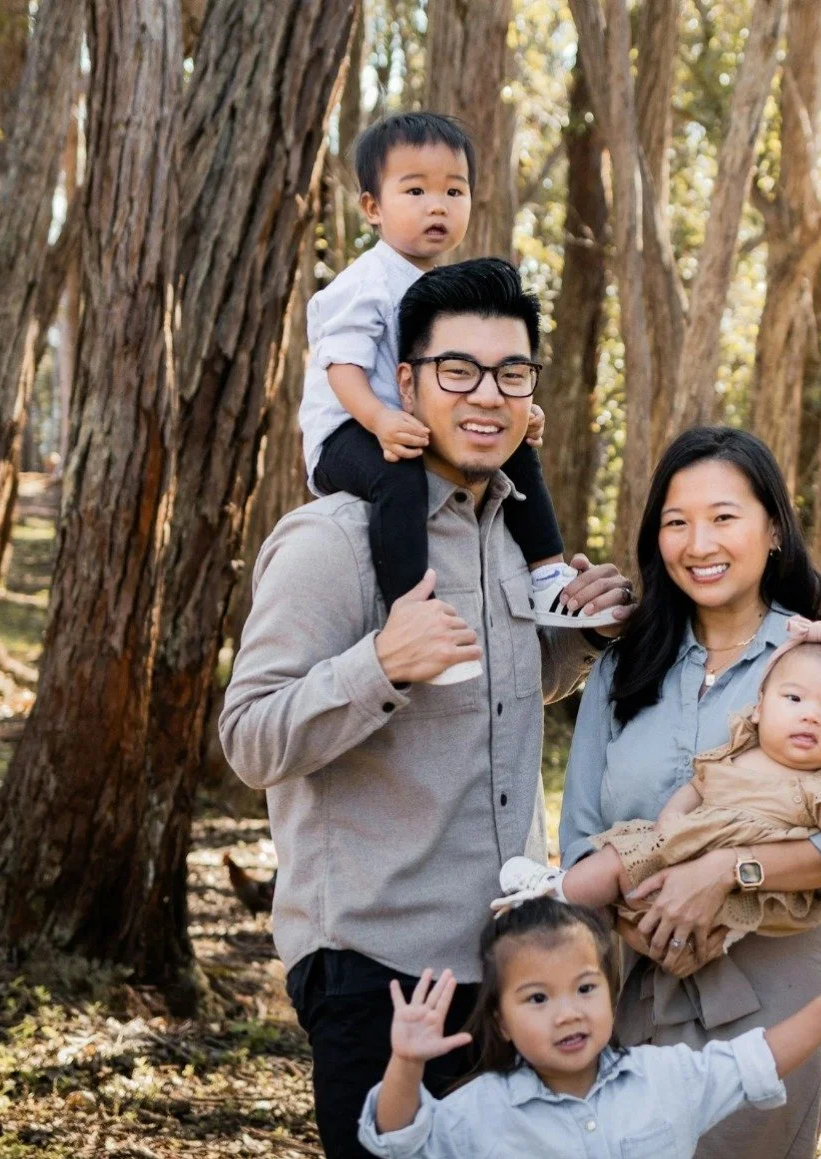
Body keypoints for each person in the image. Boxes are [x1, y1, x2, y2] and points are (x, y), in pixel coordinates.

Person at [220, 258, 634, 1159]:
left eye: (511, 373)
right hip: (378, 974)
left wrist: (584, 639)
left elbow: (499, 692)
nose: (486, 396)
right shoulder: (333, 541)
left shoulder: (514, 542)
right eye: (458, 370)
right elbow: (247, 738)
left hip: (514, 963)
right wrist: (377, 664)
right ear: (404, 383)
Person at [557, 426, 821, 1159]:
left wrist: (723, 871)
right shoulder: (622, 666)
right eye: (675, 521)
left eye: (723, 516)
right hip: (627, 981)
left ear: (771, 528)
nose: (698, 541)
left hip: (769, 994)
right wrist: (632, 920)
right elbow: (581, 828)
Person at [297, 113, 607, 685]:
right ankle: (412, 613)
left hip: (402, 419)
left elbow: (469, 377)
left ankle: (545, 573)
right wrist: (380, 419)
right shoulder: (363, 284)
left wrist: (516, 408)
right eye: (414, 190)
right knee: (401, 477)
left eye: (453, 190)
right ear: (372, 207)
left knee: (515, 457)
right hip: (347, 429)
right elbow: (339, 369)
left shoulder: (441, 290)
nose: (436, 205)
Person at [355, 898, 821, 1159]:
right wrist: (406, 1063)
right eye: (537, 998)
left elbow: (758, 1060)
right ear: (501, 1022)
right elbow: (397, 1144)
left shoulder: (665, 1078)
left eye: (585, 989)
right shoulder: (481, 1111)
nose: (568, 1012)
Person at [495, 617, 821, 944]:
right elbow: (696, 788)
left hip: (740, 902)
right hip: (677, 853)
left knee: (685, 912)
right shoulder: (738, 754)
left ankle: (555, 896)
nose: (812, 716)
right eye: (794, 700)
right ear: (760, 706)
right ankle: (555, 893)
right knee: (620, 857)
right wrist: (668, 825)